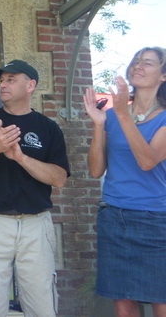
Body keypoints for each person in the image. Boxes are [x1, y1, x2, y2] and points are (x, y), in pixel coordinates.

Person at [0, 59, 69, 317]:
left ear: (30, 85)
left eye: (11, 79)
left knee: (42, 306)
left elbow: (59, 178)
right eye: (1, 80)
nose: (3, 85)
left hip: (36, 226)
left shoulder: (48, 128)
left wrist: (21, 158)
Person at [84, 47, 166, 317]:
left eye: (148, 63)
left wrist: (121, 114)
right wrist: (98, 124)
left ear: (163, 75)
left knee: (160, 300)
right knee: (122, 302)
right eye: (136, 61)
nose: (138, 66)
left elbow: (147, 161)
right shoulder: (110, 117)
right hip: (113, 216)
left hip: (155, 218)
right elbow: (96, 171)